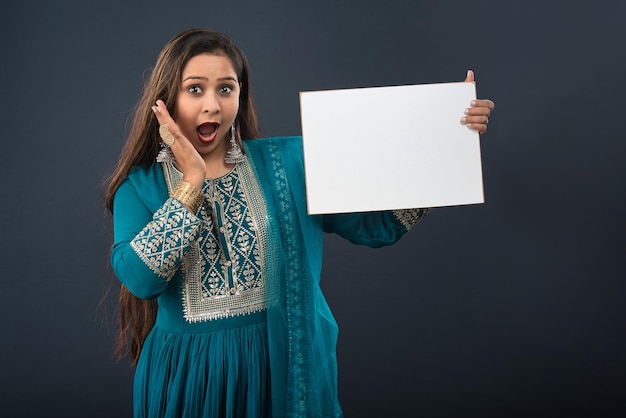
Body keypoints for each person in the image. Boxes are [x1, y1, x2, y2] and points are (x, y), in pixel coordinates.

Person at [105, 28, 495, 418]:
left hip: (280, 373)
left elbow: (376, 224)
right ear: (166, 98)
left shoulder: (288, 164)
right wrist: (191, 183)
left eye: (226, 89)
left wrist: (451, 135)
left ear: (240, 97)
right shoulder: (140, 187)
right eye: (195, 90)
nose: (212, 106)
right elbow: (141, 279)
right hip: (191, 382)